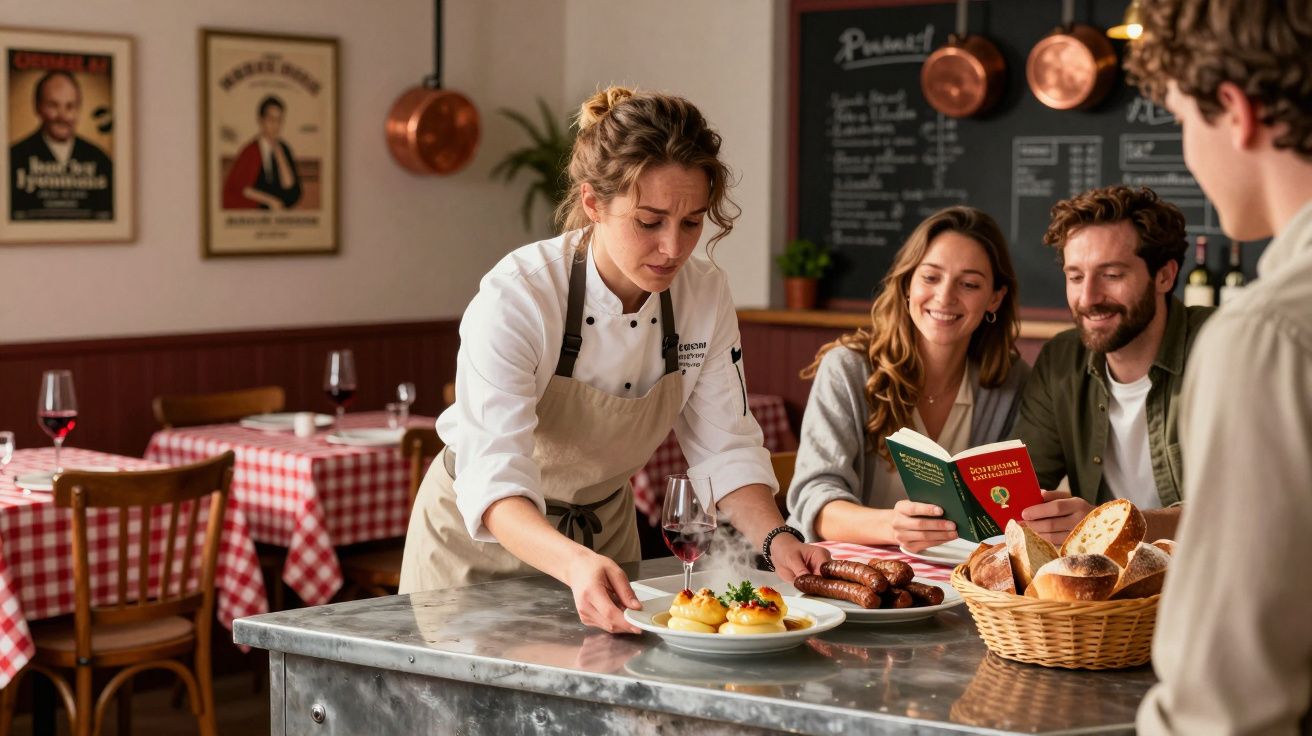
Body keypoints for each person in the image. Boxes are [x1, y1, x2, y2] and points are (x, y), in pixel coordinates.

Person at [399, 87, 829, 633]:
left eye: (693, 222)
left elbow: (726, 447)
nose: (673, 249)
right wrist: (574, 564)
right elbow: (493, 478)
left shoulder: (704, 294)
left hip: (602, 539)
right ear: (593, 203)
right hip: (477, 549)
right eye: (649, 222)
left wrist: (777, 538)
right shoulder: (519, 295)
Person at [1125, 2, 1312, 733]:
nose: (1187, 152)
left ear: (1236, 112)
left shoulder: (1267, 335)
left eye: (1181, 119)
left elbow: (1225, 709)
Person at [786, 206, 1029, 552]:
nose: (945, 297)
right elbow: (814, 501)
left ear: (995, 297)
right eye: (930, 277)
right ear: (907, 284)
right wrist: (890, 526)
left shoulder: (1011, 382)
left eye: (969, 284)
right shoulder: (847, 369)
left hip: (959, 589)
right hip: (847, 581)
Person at [1011, 185, 1213, 545]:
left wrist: (1110, 523)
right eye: (1075, 277)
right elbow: (1022, 484)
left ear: (1164, 276)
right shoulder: (1062, 359)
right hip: (1107, 585)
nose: (1087, 298)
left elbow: (1236, 504)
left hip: (1210, 577)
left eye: (1112, 275)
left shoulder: (1222, 349)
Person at [9, 70, 113, 219]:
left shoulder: (101, 161)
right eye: (53, 105)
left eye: (70, 106)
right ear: (38, 107)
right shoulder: (13, 159)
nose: (62, 115)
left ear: (79, 110)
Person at [221, 95, 302, 210]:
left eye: (279, 120)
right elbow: (242, 188)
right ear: (261, 121)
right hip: (258, 206)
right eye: (271, 119)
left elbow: (290, 187)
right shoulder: (250, 150)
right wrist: (270, 201)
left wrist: (279, 154)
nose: (276, 125)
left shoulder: (284, 148)